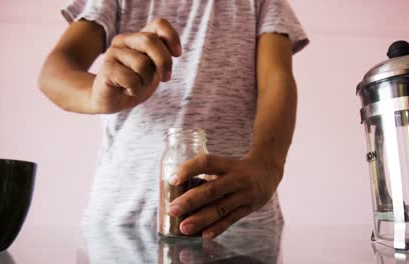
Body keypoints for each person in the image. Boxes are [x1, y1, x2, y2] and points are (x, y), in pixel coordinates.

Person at [39, 0, 308, 240]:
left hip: (239, 219)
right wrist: (96, 95)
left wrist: (268, 166)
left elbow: (276, 81)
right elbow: (54, 72)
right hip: (122, 223)